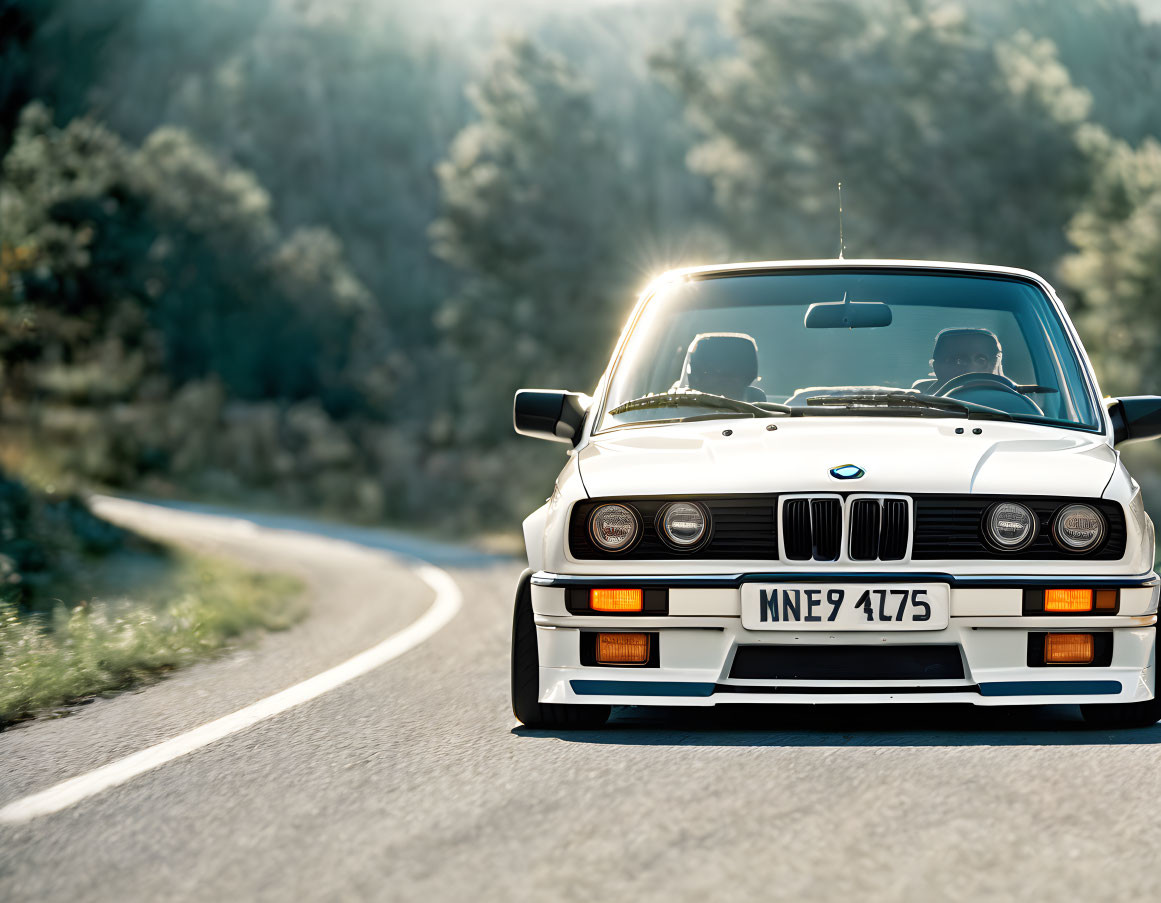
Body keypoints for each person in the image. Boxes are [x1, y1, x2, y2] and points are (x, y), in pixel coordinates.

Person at [913, 327, 1003, 393]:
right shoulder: (919, 399)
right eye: (958, 361)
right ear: (936, 367)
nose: (971, 367)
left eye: (981, 361)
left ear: (994, 365)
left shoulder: (1010, 397)